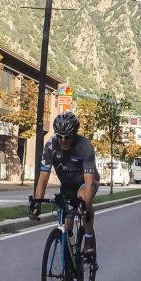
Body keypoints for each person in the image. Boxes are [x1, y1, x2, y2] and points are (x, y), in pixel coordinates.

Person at [29, 111, 99, 261]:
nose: (63, 140)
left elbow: (88, 183)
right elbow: (43, 179)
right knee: (66, 229)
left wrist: (86, 206)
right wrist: (37, 204)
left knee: (83, 200)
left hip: (85, 183)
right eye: (59, 136)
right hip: (67, 186)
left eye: (67, 137)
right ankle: (67, 274)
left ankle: (88, 239)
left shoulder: (84, 146)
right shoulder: (51, 145)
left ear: (74, 134)